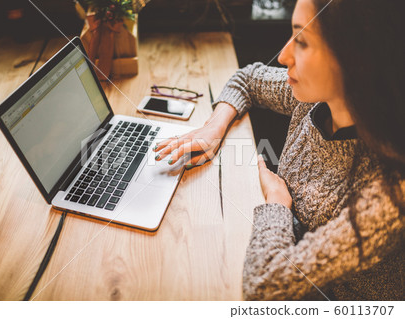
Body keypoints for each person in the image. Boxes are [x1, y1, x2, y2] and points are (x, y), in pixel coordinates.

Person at [153, 0, 404, 300]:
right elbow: (247, 78)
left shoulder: (388, 191)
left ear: (354, 58)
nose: (284, 56)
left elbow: (264, 286)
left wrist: (277, 202)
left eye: (302, 41)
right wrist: (212, 129)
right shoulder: (316, 99)